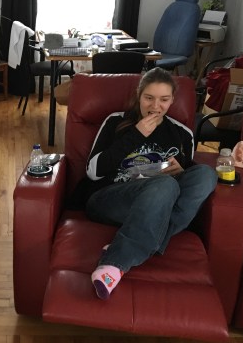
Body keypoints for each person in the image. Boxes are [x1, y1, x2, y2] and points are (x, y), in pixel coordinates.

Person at [75, 67, 217, 300]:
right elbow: (92, 172)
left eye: (164, 99)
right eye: (149, 98)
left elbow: (185, 184)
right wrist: (137, 134)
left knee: (206, 175)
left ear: (172, 100)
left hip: (155, 206)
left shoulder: (182, 134)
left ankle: (133, 244)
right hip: (109, 198)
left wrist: (181, 171)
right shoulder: (116, 121)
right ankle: (115, 263)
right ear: (139, 96)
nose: (155, 106)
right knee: (165, 185)